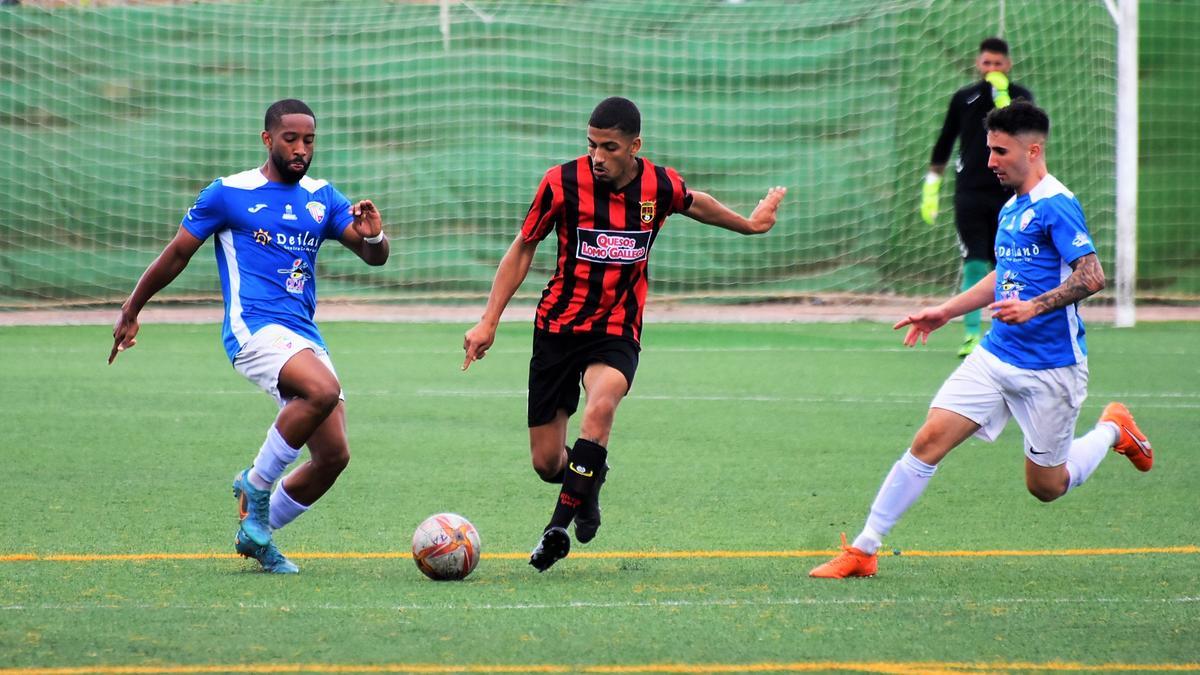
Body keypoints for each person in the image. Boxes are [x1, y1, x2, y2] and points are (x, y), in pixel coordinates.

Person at [810, 101, 1153, 579]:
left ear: (1032, 151)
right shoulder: (1011, 208)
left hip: (1051, 368)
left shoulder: (1055, 204)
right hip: (995, 356)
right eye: (988, 150)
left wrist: (1035, 306)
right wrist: (945, 311)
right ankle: (864, 549)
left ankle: (1114, 429)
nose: (989, 161)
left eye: (999, 151)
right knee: (928, 440)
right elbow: (1003, 276)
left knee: (1047, 487)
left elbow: (1092, 275)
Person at [462, 96, 787, 572]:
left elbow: (698, 204)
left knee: (602, 404)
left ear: (635, 146)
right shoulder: (560, 182)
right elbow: (523, 247)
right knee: (547, 463)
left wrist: (751, 225)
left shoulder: (659, 185)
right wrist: (489, 320)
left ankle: (555, 530)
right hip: (557, 326)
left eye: (609, 147)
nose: (597, 156)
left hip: (616, 328)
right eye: (591, 145)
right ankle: (588, 480)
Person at [109, 99, 390, 574]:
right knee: (322, 390)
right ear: (268, 139)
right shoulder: (229, 193)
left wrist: (376, 237)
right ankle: (255, 485)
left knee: (333, 456)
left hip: (302, 334)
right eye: (291, 139)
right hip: (252, 327)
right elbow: (177, 254)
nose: (301, 149)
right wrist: (132, 309)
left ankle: (256, 534)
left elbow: (372, 256)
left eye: (309, 140)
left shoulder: (323, 197)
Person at [922, 37, 1034, 358]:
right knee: (974, 258)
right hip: (969, 192)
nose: (992, 69)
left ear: (1008, 65)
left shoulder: (1021, 97)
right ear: (978, 64)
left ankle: (1008, 333)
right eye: (987, 63)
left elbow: (1025, 133)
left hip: (1009, 193)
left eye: (998, 64)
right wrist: (931, 185)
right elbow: (945, 141)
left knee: (1009, 262)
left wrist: (1002, 98)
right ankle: (971, 335)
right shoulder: (964, 98)